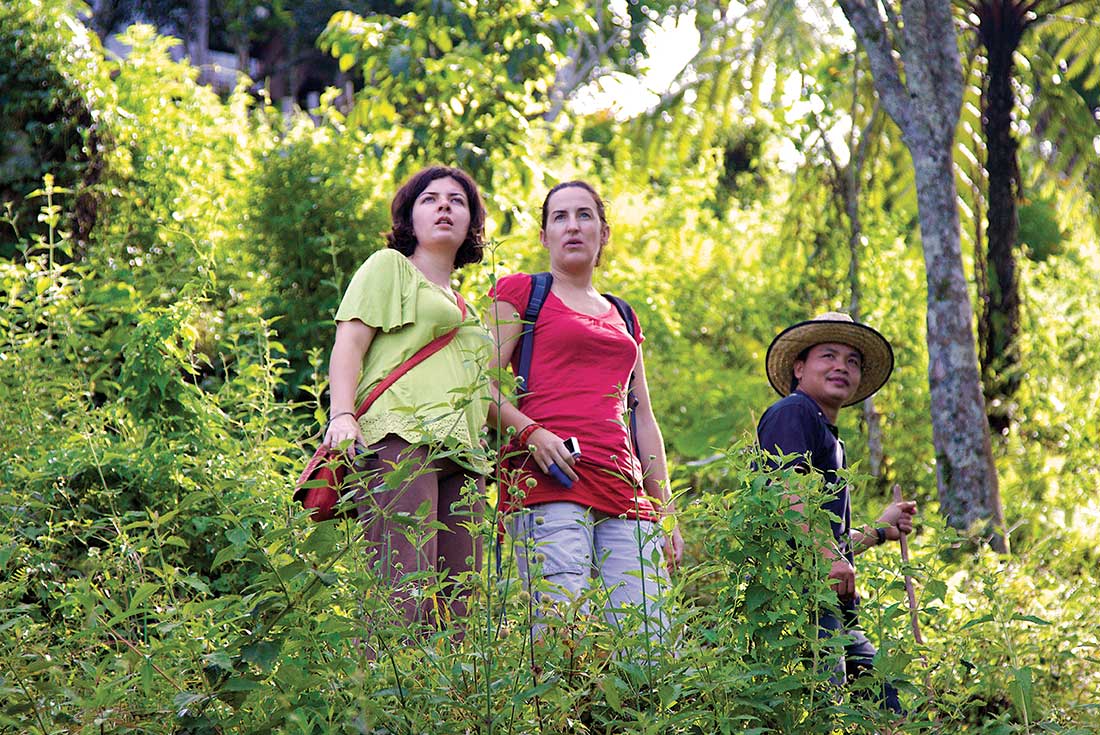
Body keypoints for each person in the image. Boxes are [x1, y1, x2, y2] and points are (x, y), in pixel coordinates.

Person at [487, 180, 683, 640]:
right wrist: (532, 433)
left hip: (626, 493)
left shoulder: (623, 314)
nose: (572, 226)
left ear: (604, 232)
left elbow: (642, 418)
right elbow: (478, 387)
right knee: (563, 638)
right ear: (544, 237)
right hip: (551, 481)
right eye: (560, 217)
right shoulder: (522, 293)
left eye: (584, 215)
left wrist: (666, 510)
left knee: (651, 643)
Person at [323, 165, 492, 633]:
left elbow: (486, 394)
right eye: (430, 199)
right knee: (403, 590)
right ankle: (382, 704)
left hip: (465, 456)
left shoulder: (468, 310)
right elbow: (349, 344)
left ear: (472, 224)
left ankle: (445, 709)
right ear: (409, 218)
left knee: (459, 607)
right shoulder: (389, 267)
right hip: (401, 440)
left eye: (457, 201)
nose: (444, 206)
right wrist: (342, 414)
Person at [756, 311, 917, 713]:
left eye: (852, 361)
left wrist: (880, 529)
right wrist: (829, 556)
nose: (841, 367)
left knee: (886, 703)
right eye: (828, 356)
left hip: (835, 608)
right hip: (797, 603)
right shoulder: (793, 413)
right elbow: (785, 489)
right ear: (799, 367)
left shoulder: (829, 437)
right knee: (823, 707)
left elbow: (831, 541)